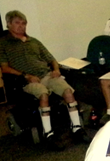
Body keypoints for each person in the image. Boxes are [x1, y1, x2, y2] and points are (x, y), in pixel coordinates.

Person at [0, 10, 89, 149]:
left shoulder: (34, 41)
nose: (21, 26)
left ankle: (77, 128)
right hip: (27, 80)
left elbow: (51, 59)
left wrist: (56, 70)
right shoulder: (4, 43)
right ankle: (48, 134)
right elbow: (4, 68)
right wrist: (25, 76)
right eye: (17, 23)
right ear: (9, 24)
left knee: (68, 92)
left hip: (46, 75)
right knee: (43, 95)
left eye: (23, 23)